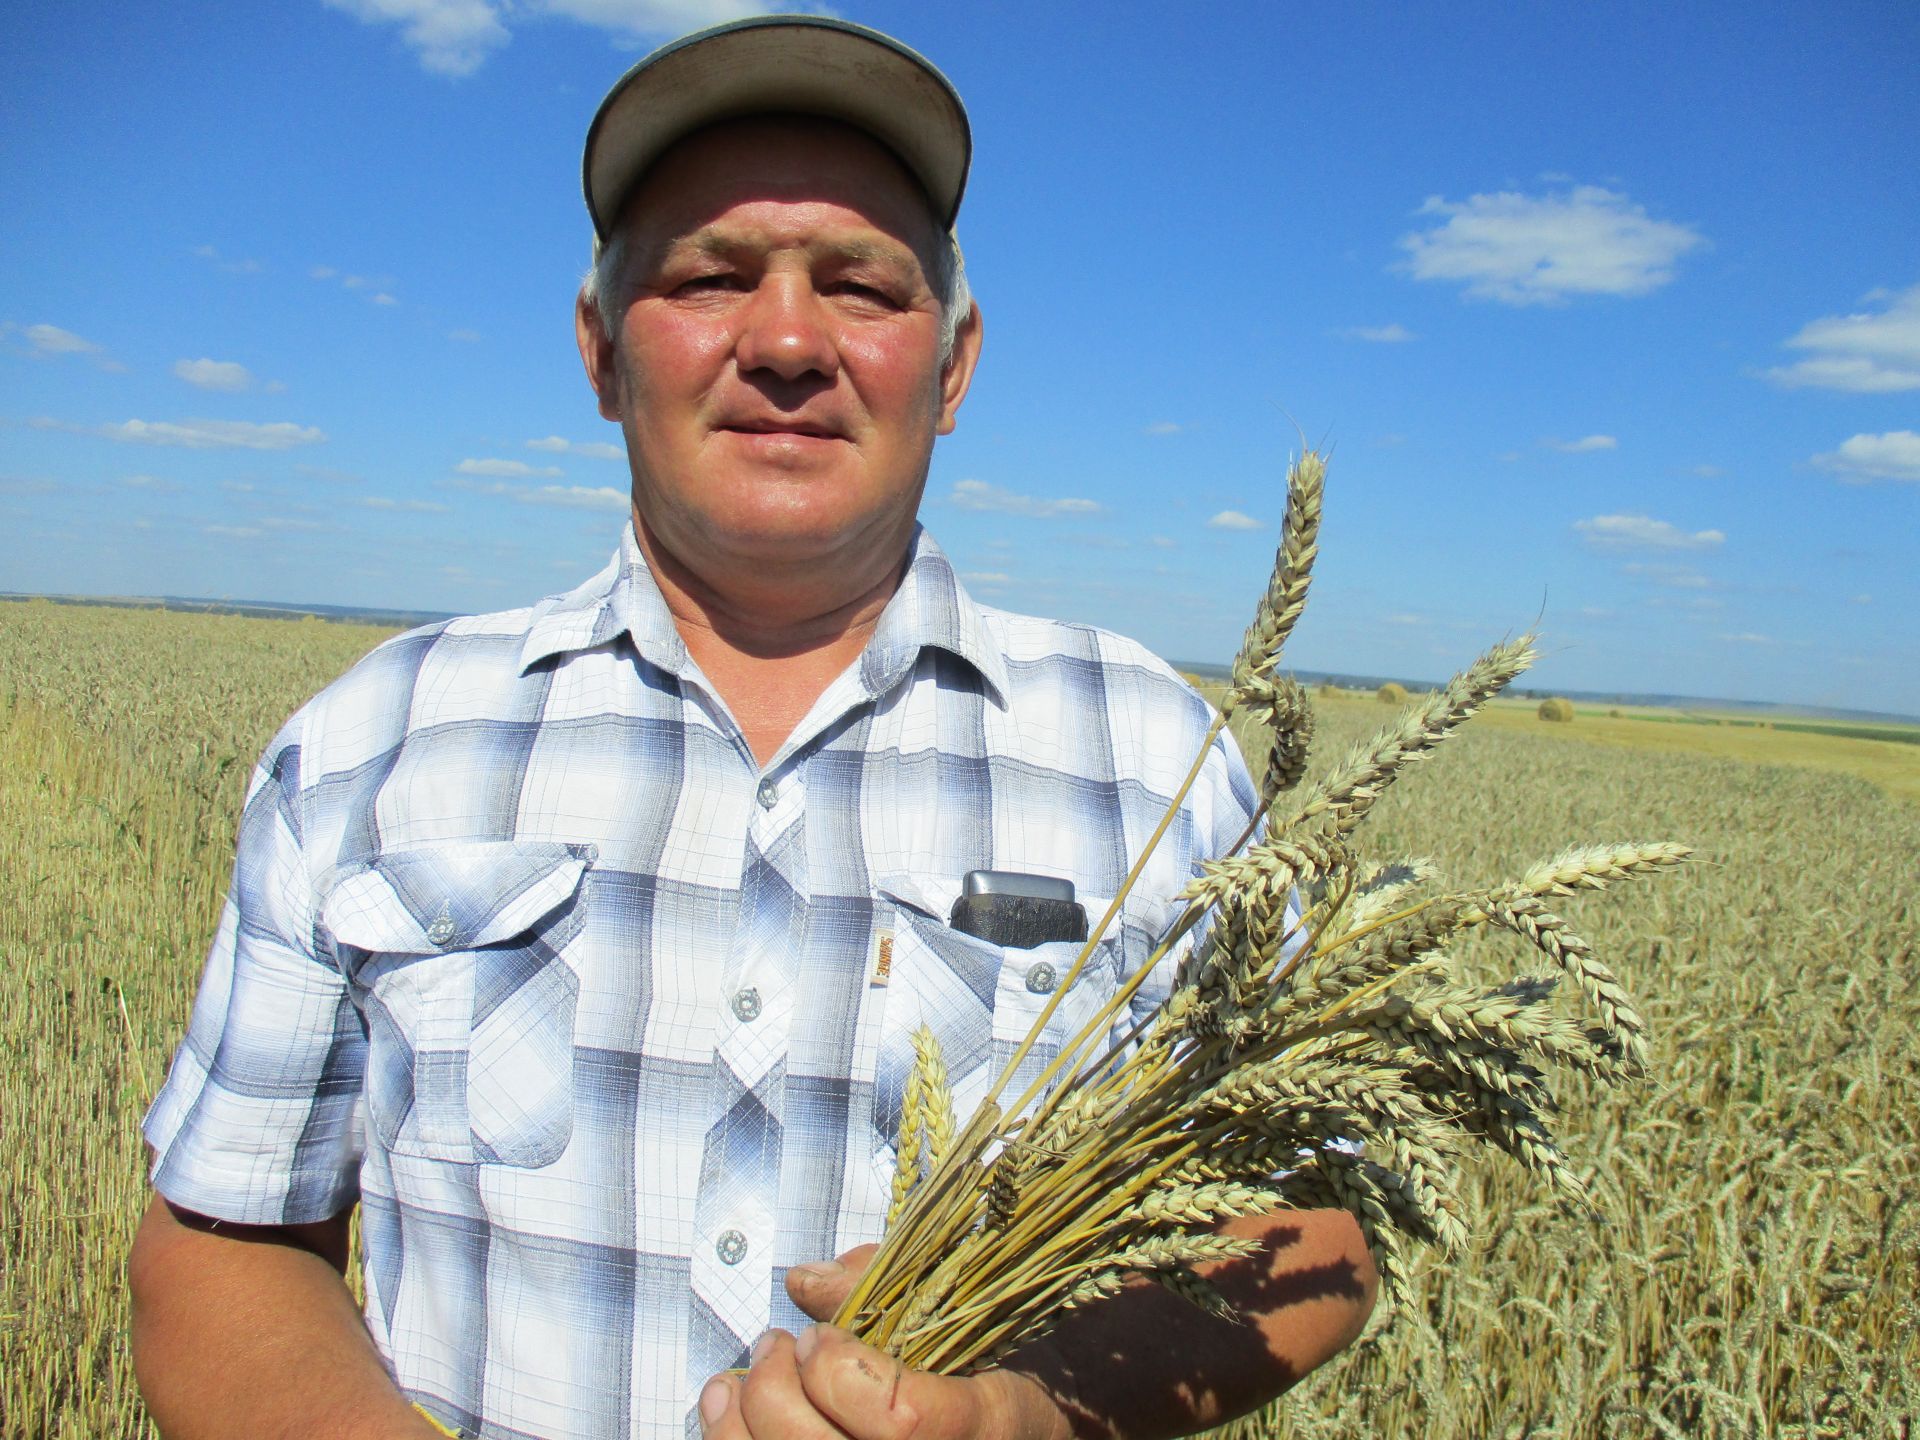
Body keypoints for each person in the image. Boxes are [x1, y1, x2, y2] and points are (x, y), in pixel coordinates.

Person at [129, 17, 1376, 1440]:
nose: (787, 341)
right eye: (711, 276)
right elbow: (225, 1236)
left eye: (861, 288)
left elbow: (1314, 1226)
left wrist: (1029, 1413)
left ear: (954, 367)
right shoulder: (372, 746)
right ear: (600, 356)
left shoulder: (1157, 764)